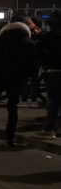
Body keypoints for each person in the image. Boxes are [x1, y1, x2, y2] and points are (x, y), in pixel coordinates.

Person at [0, 18, 38, 146]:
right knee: (12, 106)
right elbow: (33, 63)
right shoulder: (28, 42)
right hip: (16, 78)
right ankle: (10, 136)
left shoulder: (0, 41)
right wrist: (24, 75)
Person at [37, 11, 61, 139]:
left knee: (53, 101)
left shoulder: (48, 37)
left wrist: (45, 66)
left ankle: (49, 129)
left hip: (53, 71)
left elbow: (40, 52)